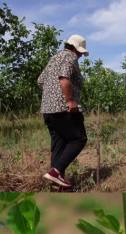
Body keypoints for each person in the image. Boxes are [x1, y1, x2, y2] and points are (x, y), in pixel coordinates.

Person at [37, 34, 88, 188]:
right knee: (79, 138)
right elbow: (64, 78)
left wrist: (50, 96)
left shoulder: (54, 58)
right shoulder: (70, 57)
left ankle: (56, 184)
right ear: (76, 49)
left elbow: (40, 81)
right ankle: (56, 172)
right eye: (80, 52)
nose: (80, 55)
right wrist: (69, 100)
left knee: (59, 144)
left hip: (48, 109)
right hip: (63, 108)